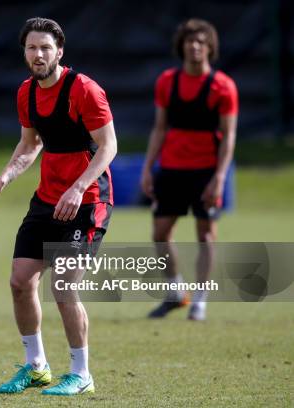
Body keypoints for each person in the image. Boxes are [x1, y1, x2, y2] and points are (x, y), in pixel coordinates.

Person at [0, 17, 117, 396]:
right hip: (47, 200)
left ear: (60, 52)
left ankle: (81, 373)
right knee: (20, 283)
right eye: (32, 48)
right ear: (24, 52)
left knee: (64, 286)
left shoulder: (84, 89)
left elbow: (108, 146)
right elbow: (30, 143)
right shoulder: (26, 92)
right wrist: (2, 180)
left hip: (87, 201)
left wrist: (79, 186)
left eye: (46, 48)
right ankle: (36, 367)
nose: (38, 55)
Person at [141, 19, 238, 321]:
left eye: (201, 42)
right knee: (159, 232)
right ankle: (176, 293)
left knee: (206, 235)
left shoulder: (223, 86)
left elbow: (229, 136)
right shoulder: (167, 82)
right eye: (189, 41)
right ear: (181, 46)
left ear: (210, 47)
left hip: (206, 171)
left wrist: (220, 177)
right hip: (171, 168)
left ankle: (200, 300)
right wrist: (147, 168)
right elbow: (159, 128)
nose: (195, 46)